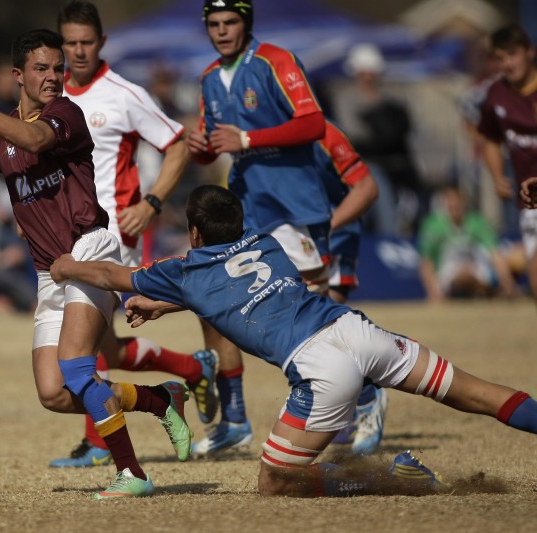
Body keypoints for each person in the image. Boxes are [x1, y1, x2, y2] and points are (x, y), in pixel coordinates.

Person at [50, 184, 537, 497]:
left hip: (320, 368)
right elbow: (237, 287)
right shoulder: (266, 242)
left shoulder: (186, 271)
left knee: (275, 482)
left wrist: (68, 266)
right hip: (355, 330)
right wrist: (166, 304)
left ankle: (392, 477)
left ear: (193, 233)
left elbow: (111, 275)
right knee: (478, 393)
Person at [0, 29, 191, 499]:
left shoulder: (67, 114)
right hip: (49, 271)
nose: (53, 77)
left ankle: (132, 473)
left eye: (58, 68)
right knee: (54, 392)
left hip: (90, 251)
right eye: (41, 69)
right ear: (18, 75)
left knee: (76, 369)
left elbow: (33, 138)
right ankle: (159, 398)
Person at [187, 0, 385, 456]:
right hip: (245, 208)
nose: (222, 31)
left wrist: (247, 138)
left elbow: (313, 122)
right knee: (210, 296)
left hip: (293, 208)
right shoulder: (209, 78)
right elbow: (214, 143)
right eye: (214, 24)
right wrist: (201, 148)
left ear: (246, 23)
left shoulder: (276, 60)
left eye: (230, 22)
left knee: (311, 319)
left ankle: (369, 393)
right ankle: (234, 417)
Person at [49, 0, 218, 469]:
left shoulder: (125, 94)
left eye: (87, 42)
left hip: (113, 232)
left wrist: (152, 203)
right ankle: (191, 368)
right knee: (103, 345)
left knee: (84, 343)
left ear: (102, 43)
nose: (78, 51)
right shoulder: (51, 95)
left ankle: (100, 441)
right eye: (70, 43)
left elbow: (177, 144)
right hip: (66, 235)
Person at [314, 119, 386, 454]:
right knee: (309, 332)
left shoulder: (324, 134)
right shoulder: (255, 135)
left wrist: (327, 227)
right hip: (294, 236)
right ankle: (347, 410)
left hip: (333, 236)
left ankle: (367, 397)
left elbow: (367, 189)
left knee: (325, 325)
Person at [333, 42, 426, 238]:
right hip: (362, 166)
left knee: (395, 214)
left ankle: (389, 241)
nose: (368, 77)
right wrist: (380, 133)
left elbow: (403, 131)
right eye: (364, 72)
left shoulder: (391, 99)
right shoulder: (347, 98)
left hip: (394, 168)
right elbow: (354, 133)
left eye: (372, 72)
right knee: (370, 211)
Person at [477, 24, 537, 304]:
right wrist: (497, 175)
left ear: (529, 52)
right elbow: (490, 138)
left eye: (513, 54)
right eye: (500, 58)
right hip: (531, 202)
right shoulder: (496, 94)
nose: (508, 64)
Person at [418, 184, 518, 302]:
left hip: (476, 269)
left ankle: (493, 290)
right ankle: (486, 292)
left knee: (518, 255)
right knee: (464, 276)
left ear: (463, 203)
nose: (454, 207)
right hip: (448, 273)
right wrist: (433, 292)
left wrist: (508, 283)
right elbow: (426, 262)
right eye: (450, 204)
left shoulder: (476, 222)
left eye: (457, 204)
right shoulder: (433, 226)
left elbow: (494, 252)